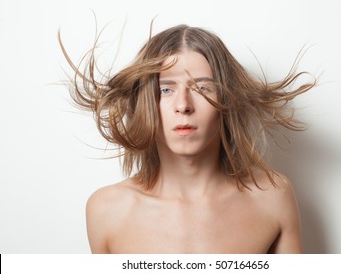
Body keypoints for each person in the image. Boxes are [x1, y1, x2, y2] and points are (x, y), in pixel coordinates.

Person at [59, 24, 316, 253]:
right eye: (166, 89)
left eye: (202, 88)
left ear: (226, 100)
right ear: (146, 102)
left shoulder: (272, 197)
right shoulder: (107, 210)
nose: (183, 105)